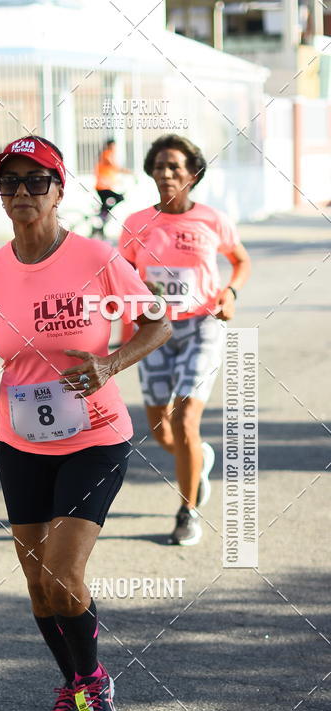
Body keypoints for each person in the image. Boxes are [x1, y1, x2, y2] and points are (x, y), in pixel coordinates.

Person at [0, 136, 171, 711]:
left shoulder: (97, 260)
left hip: (95, 437)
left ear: (59, 189)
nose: (21, 192)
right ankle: (72, 681)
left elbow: (157, 321)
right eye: (9, 183)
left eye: (35, 181)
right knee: (35, 582)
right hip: (19, 439)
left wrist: (110, 365)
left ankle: (94, 680)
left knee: (62, 572)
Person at [118, 134, 251, 546]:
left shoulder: (212, 219)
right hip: (153, 331)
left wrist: (230, 293)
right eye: (159, 166)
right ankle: (198, 460)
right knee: (161, 431)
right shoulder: (135, 224)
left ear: (192, 173)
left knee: (185, 419)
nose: (166, 173)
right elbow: (120, 278)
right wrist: (124, 331)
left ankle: (187, 511)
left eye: (174, 166)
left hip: (202, 325)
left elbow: (240, 260)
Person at [94, 139, 130, 229]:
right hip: (102, 187)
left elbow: (109, 172)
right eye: (113, 146)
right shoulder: (107, 154)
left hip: (104, 186)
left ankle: (101, 224)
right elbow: (114, 166)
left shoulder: (107, 154)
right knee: (119, 197)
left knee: (105, 210)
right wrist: (129, 172)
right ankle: (103, 213)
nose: (114, 148)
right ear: (109, 146)